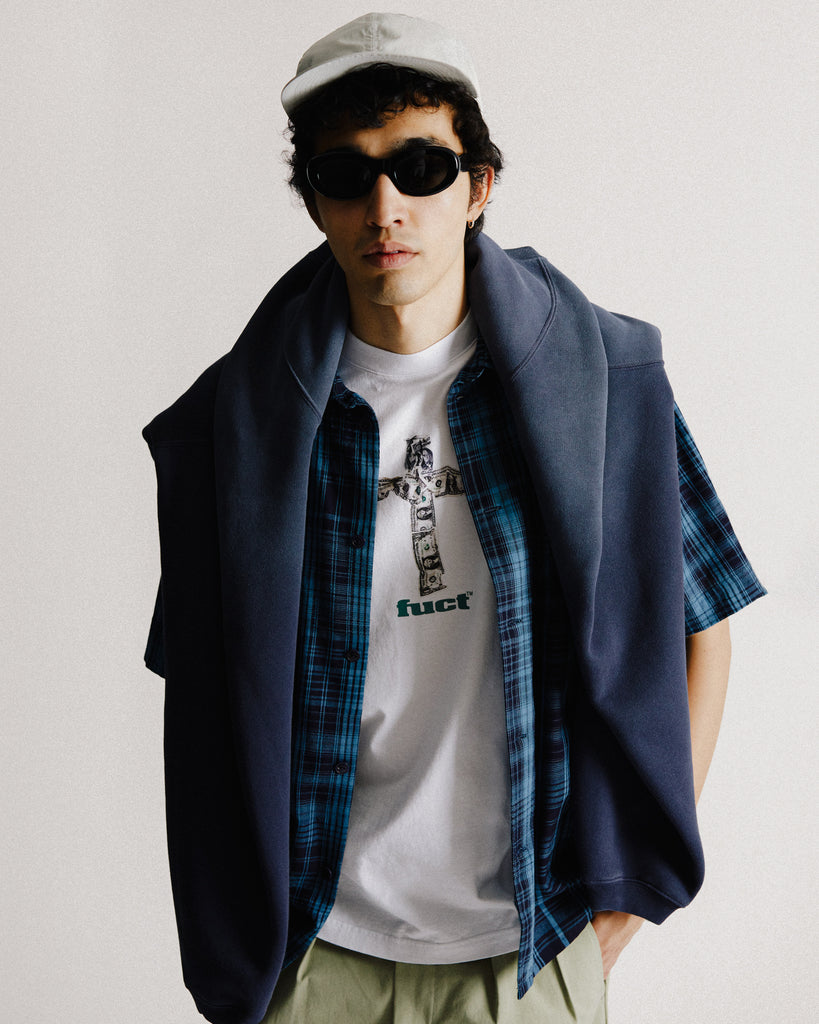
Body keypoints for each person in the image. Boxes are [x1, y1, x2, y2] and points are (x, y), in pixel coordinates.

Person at [142, 13, 765, 1024]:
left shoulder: (603, 383)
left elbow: (703, 628)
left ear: (478, 186)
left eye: (421, 165)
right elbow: (204, 695)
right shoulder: (236, 425)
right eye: (347, 174)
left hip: (530, 951)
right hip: (316, 957)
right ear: (315, 200)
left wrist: (629, 892)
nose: (385, 204)